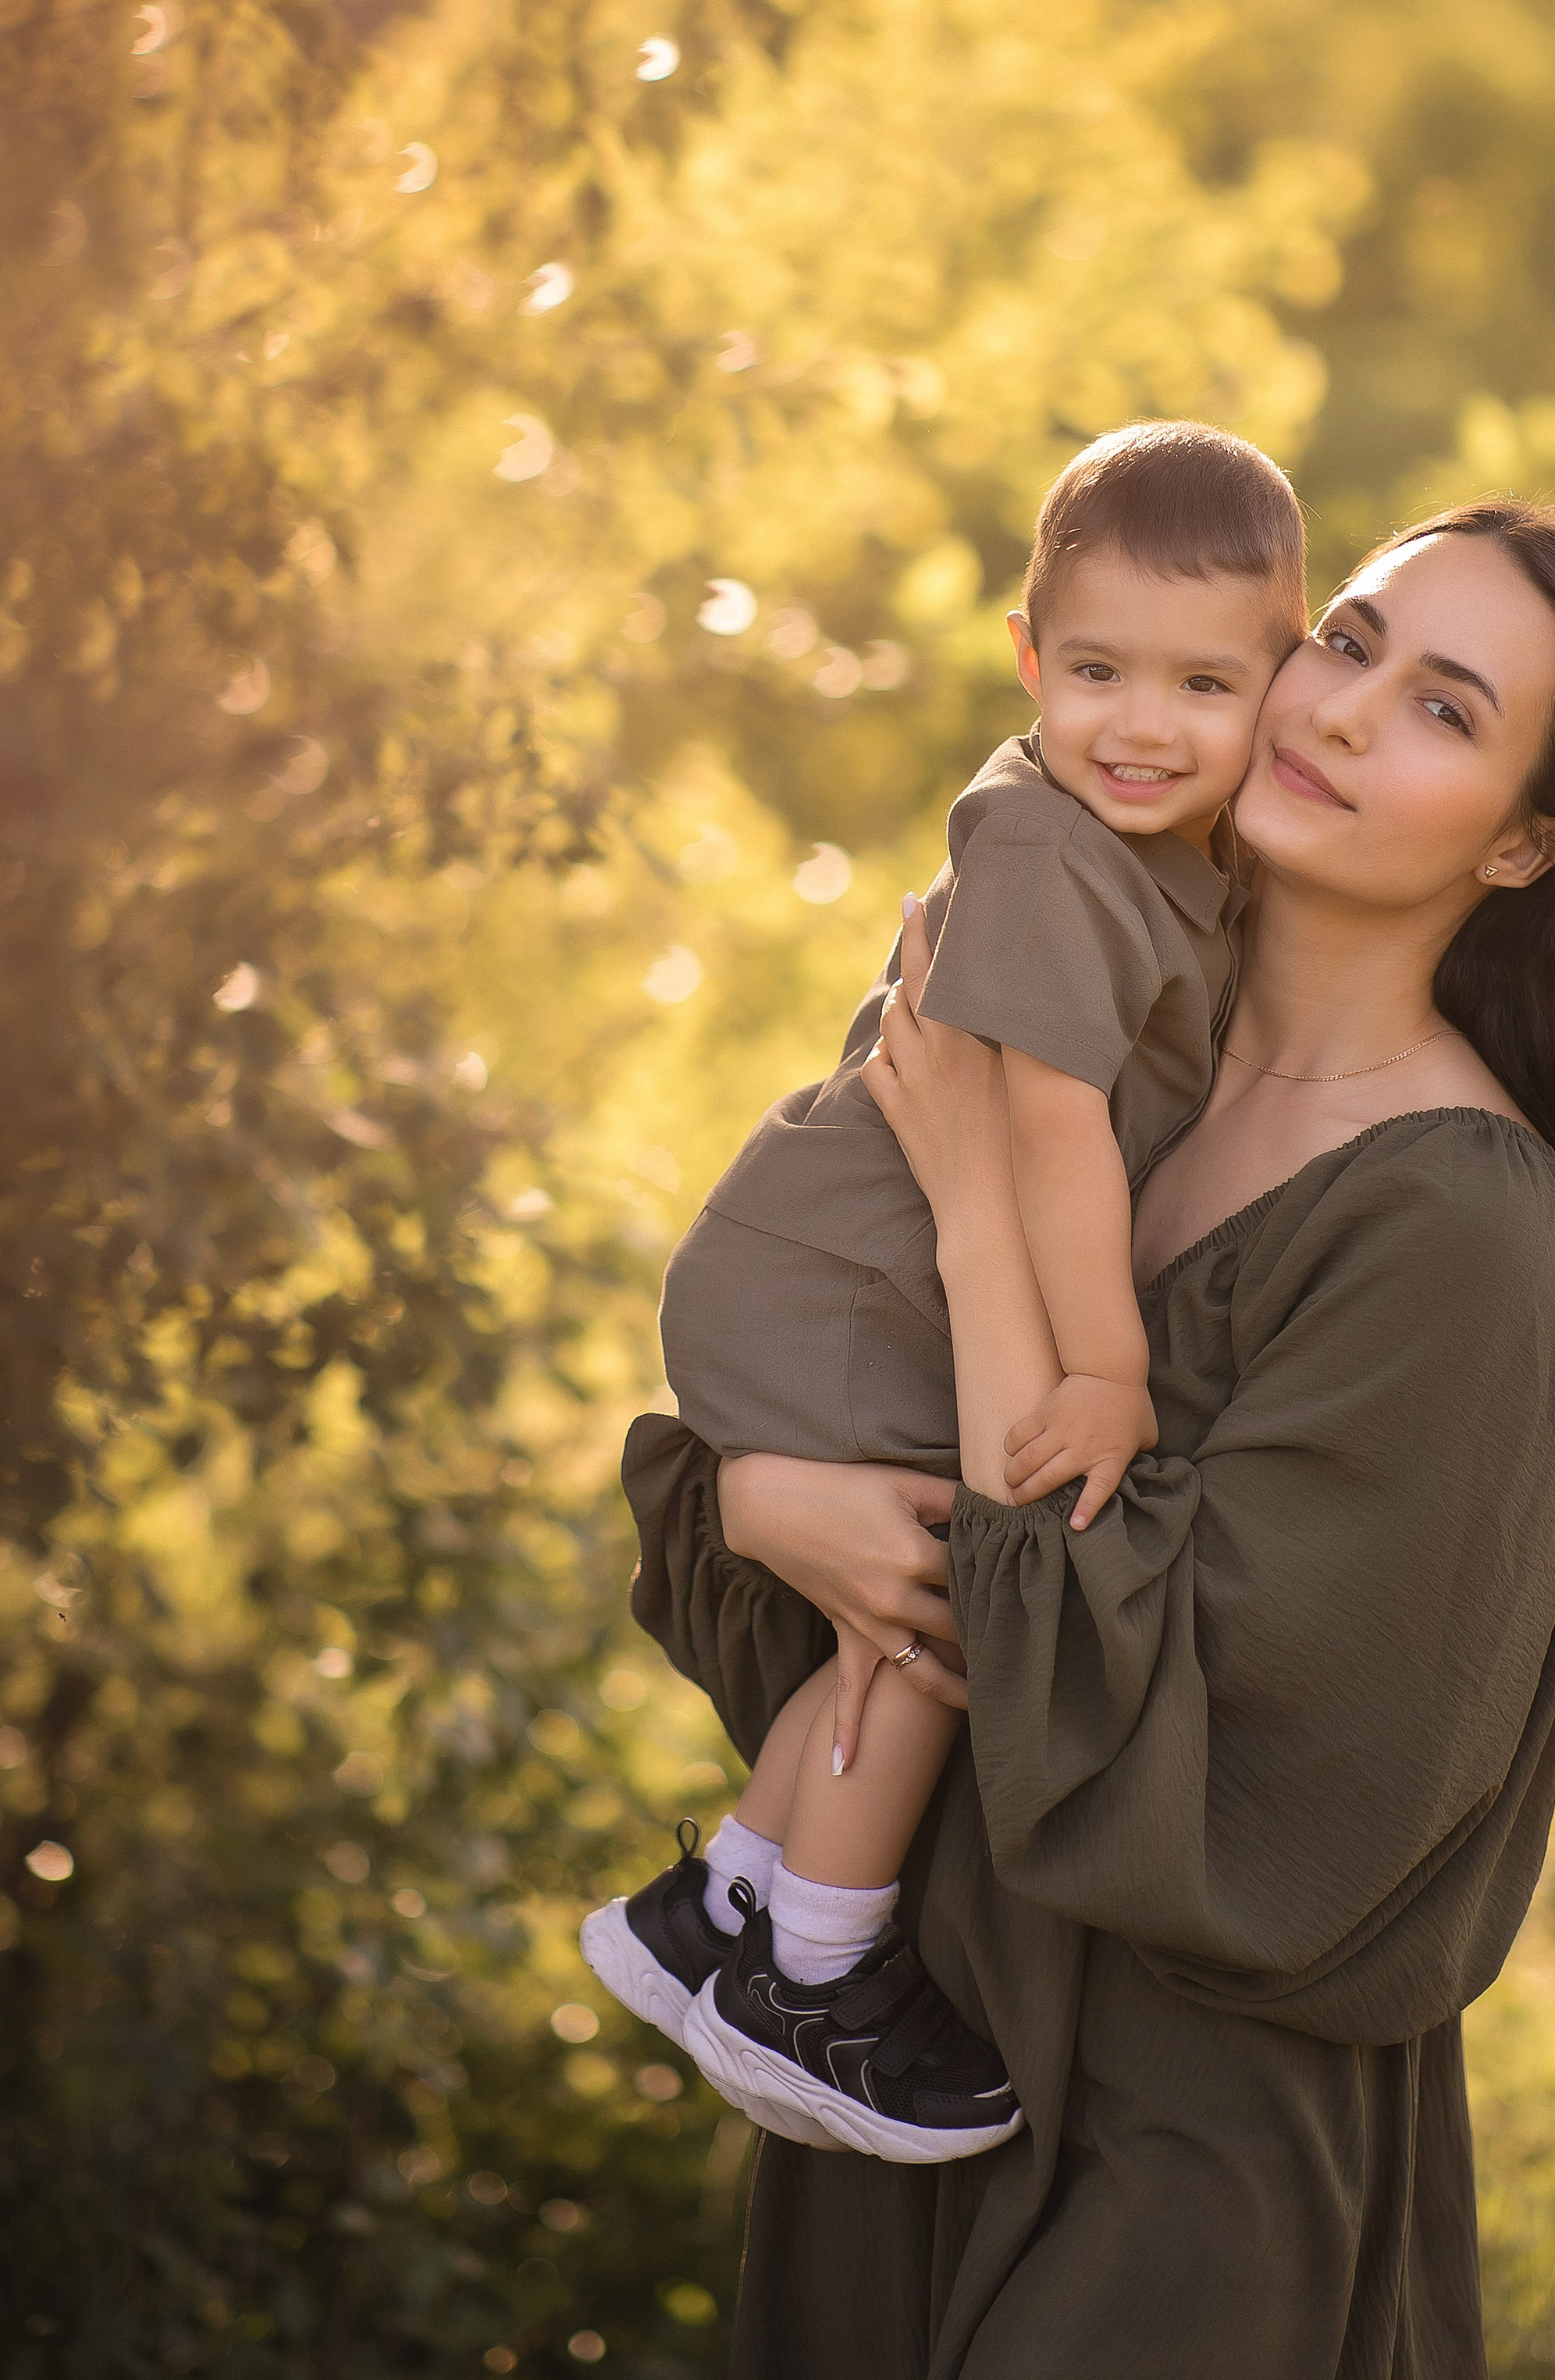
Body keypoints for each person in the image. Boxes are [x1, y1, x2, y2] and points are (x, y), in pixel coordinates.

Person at [622, 496, 1555, 2378]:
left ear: (1527, 843)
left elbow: (1219, 1782)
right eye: (1349, 641)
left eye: (1445, 711)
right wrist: (761, 1489)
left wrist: (972, 1225)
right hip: (891, 2095)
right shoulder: (1085, 1071)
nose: (1345, 712)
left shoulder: (1464, 1226)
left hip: (1179, 2171)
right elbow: (853, 1567)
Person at [583, 422, 1311, 2157]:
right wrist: (1114, 1375)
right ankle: (816, 1973)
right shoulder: (1054, 849)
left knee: (900, 1603)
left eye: (1203, 683)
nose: (1140, 725)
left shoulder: (1167, 858)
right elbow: (1049, 1126)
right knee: (947, 1603)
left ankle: (727, 1905)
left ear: (1278, 682)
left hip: (857, 1275)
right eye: (1094, 672)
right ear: (1024, 658)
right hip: (840, 1283)